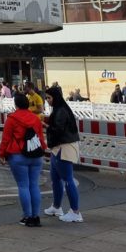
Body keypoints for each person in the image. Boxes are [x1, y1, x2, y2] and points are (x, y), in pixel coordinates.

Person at [0, 92, 46, 228]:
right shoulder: (35, 119)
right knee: (34, 185)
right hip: (36, 156)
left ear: (16, 104)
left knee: (23, 186)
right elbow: (41, 138)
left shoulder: (12, 119)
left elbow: (6, 139)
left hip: (18, 155)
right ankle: (36, 216)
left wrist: (2, 154)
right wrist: (43, 149)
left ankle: (27, 216)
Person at [43, 85, 83, 223]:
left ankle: (75, 211)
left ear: (55, 97)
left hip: (64, 147)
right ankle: (56, 206)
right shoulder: (60, 109)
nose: (47, 100)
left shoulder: (60, 111)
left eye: (49, 98)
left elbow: (58, 129)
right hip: (60, 147)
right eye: (46, 98)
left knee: (67, 179)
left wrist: (45, 125)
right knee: (56, 178)